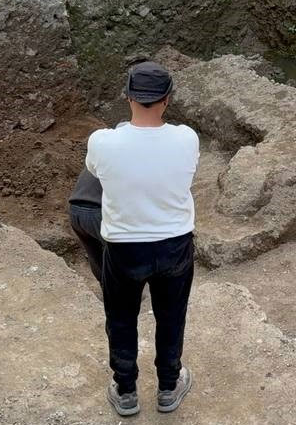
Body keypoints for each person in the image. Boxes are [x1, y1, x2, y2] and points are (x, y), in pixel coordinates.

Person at [86, 61, 199, 417]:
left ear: (127, 96)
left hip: (123, 247)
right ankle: (168, 387)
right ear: (167, 99)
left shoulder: (102, 142)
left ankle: (126, 391)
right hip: (175, 245)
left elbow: (93, 172)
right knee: (171, 316)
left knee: (120, 318)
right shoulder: (187, 138)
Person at [68, 167, 105, 283]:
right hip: (97, 212)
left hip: (75, 210)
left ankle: (108, 295)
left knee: (96, 258)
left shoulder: (102, 153)